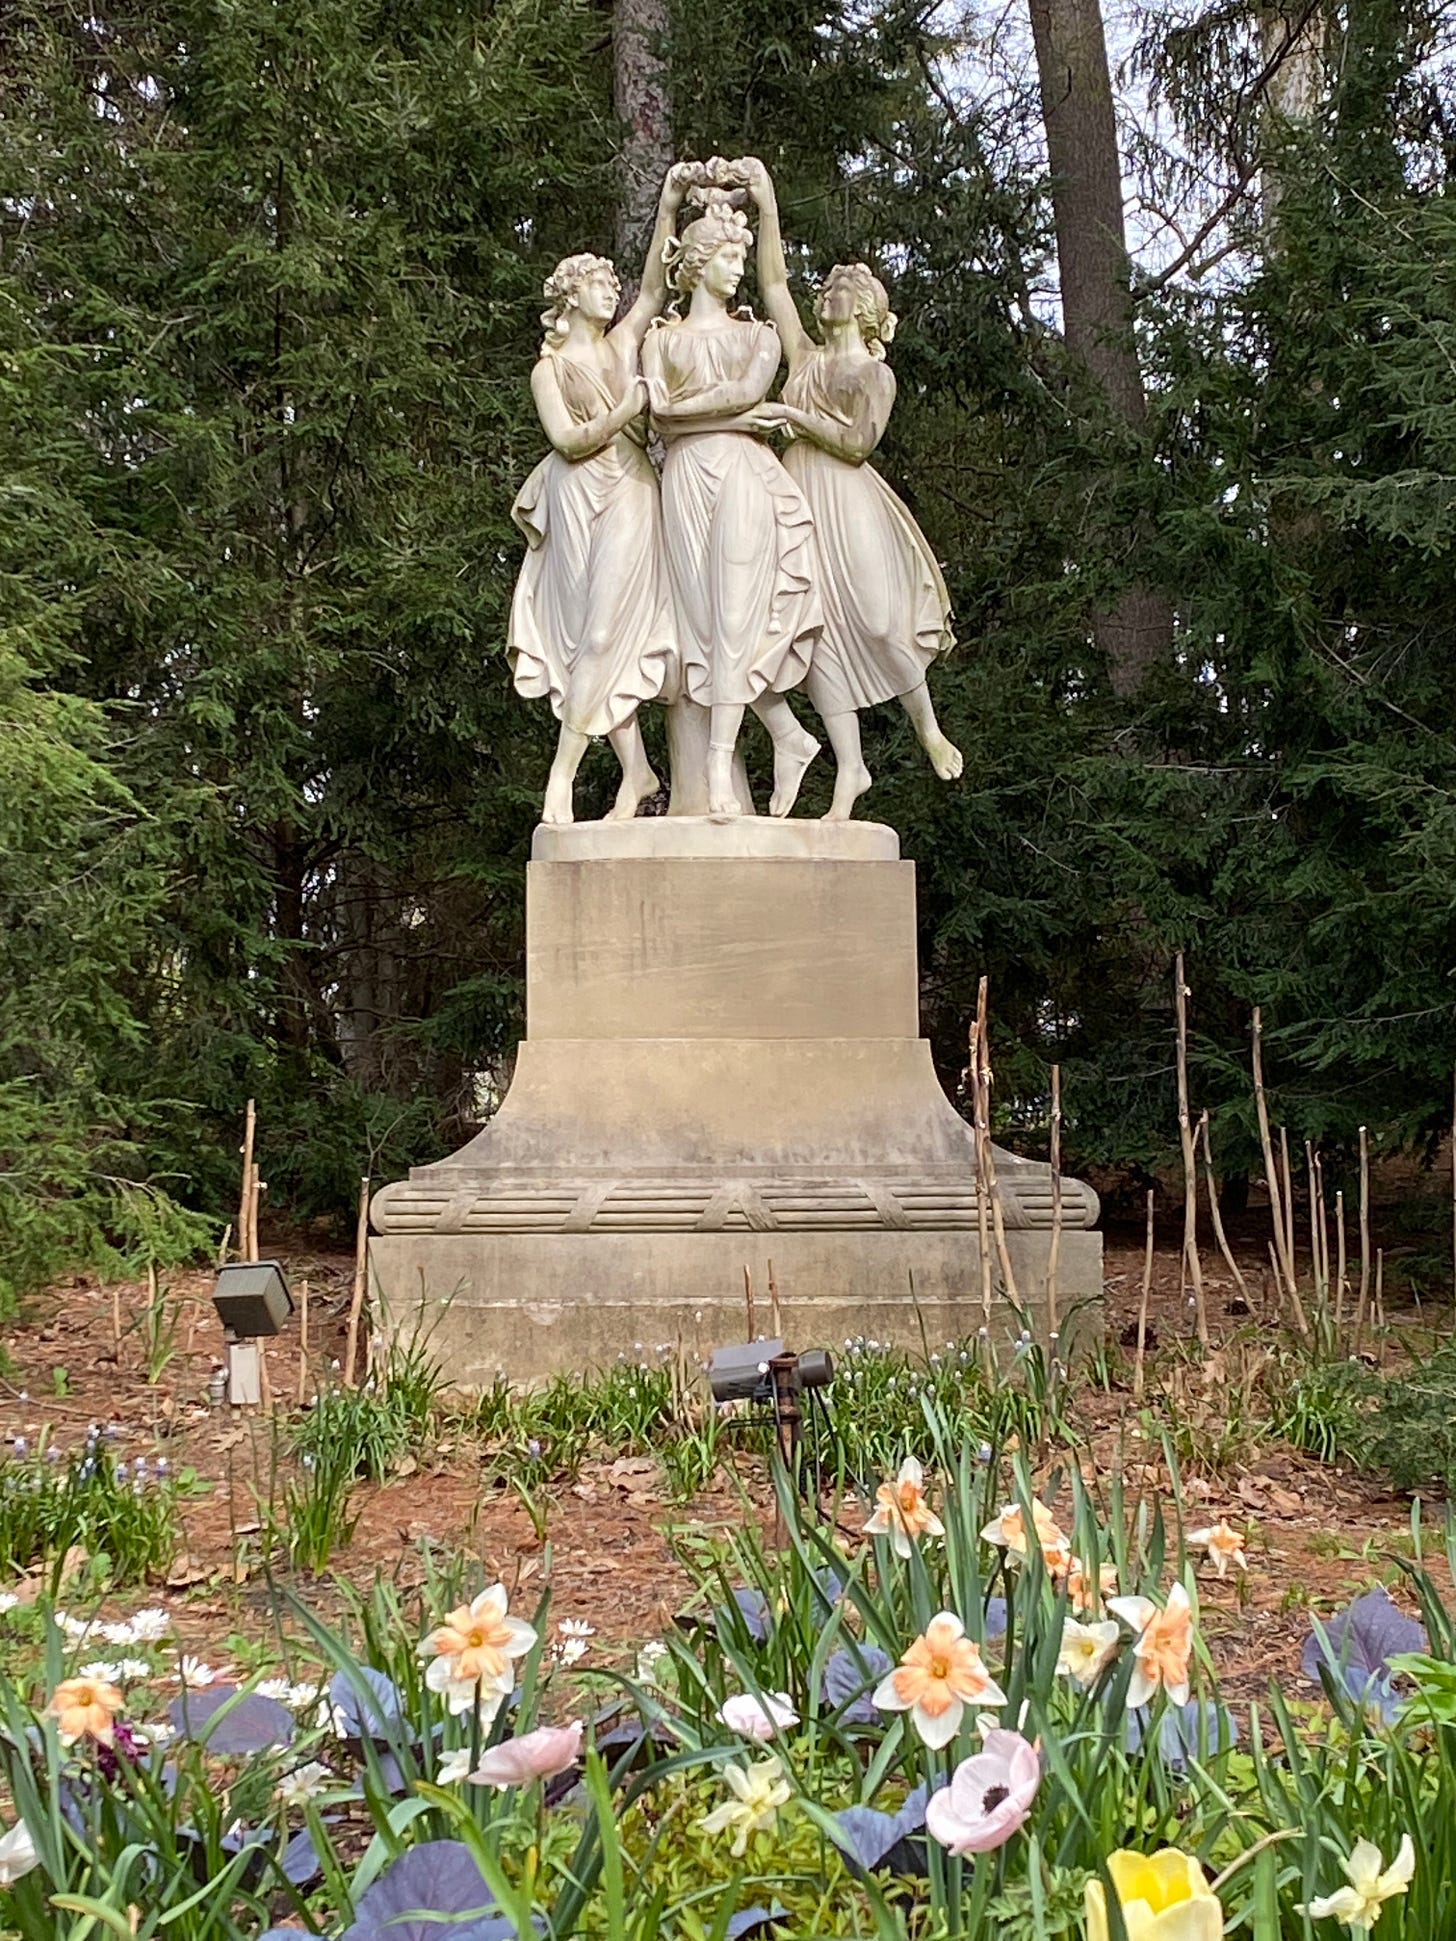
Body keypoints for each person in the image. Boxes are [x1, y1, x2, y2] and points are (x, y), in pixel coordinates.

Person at [747, 162, 961, 821]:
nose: (832, 292)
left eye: (845, 287)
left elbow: (859, 444)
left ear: (866, 309)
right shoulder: (806, 359)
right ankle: (850, 772)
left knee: (875, 617)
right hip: (798, 504)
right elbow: (775, 283)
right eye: (832, 285)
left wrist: (794, 418)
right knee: (812, 642)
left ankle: (926, 725)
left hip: (850, 499)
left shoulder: (873, 373)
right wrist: (768, 207)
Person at [508, 169, 688, 825]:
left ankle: (562, 778)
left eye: (612, 281)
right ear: (570, 293)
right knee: (590, 636)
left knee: (607, 627)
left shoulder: (622, 344)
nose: (611, 288)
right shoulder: (549, 368)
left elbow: (653, 288)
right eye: (598, 280)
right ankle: (637, 772)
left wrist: (668, 205)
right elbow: (566, 437)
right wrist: (629, 408)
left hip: (630, 490)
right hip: (574, 496)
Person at [643, 185, 821, 820]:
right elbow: (669, 425)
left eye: (744, 257)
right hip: (685, 480)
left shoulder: (759, 340)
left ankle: (719, 768)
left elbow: (743, 393)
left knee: (736, 615)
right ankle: (786, 734)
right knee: (703, 627)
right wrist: (707, 415)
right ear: (696, 262)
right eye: (727, 256)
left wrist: (676, 410)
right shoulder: (661, 342)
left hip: (743, 477)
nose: (739, 267)